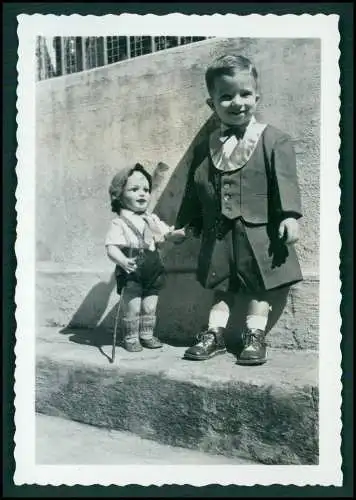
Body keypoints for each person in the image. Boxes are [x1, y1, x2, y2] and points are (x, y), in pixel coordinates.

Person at [175, 54, 303, 365]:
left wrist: (289, 215)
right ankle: (214, 333)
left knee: (258, 284)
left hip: (259, 231)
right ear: (212, 104)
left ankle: (254, 335)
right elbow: (198, 184)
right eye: (226, 96)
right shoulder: (207, 146)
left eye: (245, 94)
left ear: (257, 96)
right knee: (221, 285)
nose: (237, 102)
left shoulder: (274, 139)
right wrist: (190, 222)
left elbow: (284, 180)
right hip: (219, 232)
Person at [105, 163, 185, 352]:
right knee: (133, 307)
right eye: (134, 189)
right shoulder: (120, 222)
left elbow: (165, 234)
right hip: (132, 268)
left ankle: (146, 335)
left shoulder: (152, 219)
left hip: (153, 267)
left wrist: (178, 234)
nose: (142, 194)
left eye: (146, 190)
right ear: (119, 195)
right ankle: (131, 338)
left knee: (149, 306)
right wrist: (123, 261)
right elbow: (111, 248)